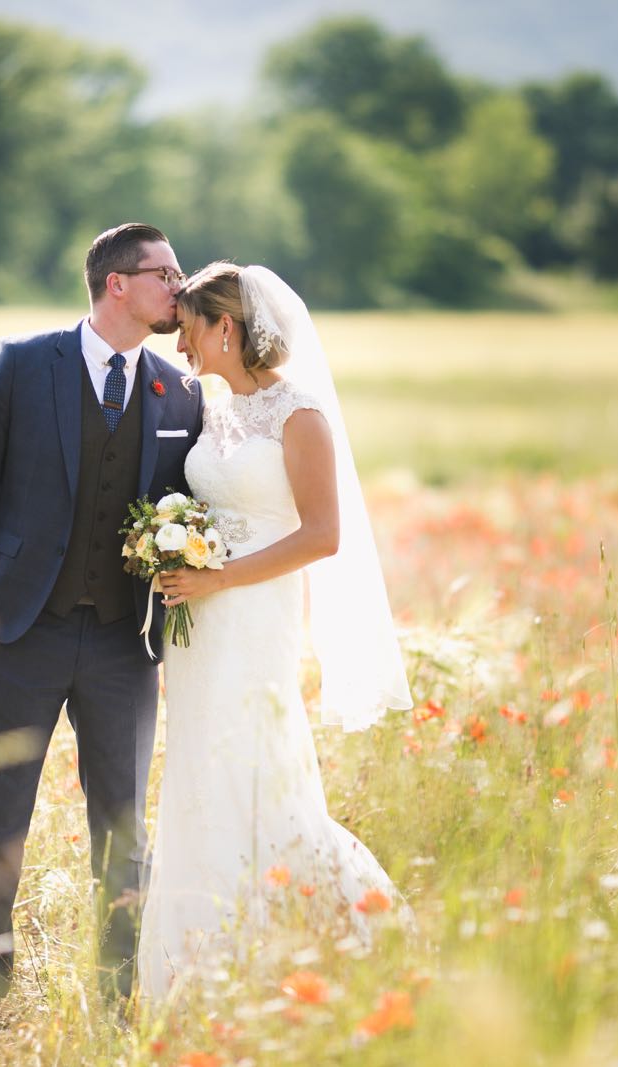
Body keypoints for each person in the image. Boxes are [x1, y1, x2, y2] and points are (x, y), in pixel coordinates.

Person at [136, 262, 413, 1000]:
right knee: (199, 769)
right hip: (196, 622)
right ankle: (198, 959)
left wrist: (220, 576)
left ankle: (313, 936)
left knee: (258, 763)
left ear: (226, 327)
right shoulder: (215, 411)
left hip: (253, 615)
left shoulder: (301, 416)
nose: (184, 345)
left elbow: (324, 535)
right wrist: (175, 541)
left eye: (191, 329)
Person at [0, 223, 203, 1006]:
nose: (179, 287)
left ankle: (118, 995)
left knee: (123, 830)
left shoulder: (179, 391)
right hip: (21, 631)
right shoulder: (22, 365)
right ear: (116, 284)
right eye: (166, 273)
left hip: (127, 645)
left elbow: (190, 507)